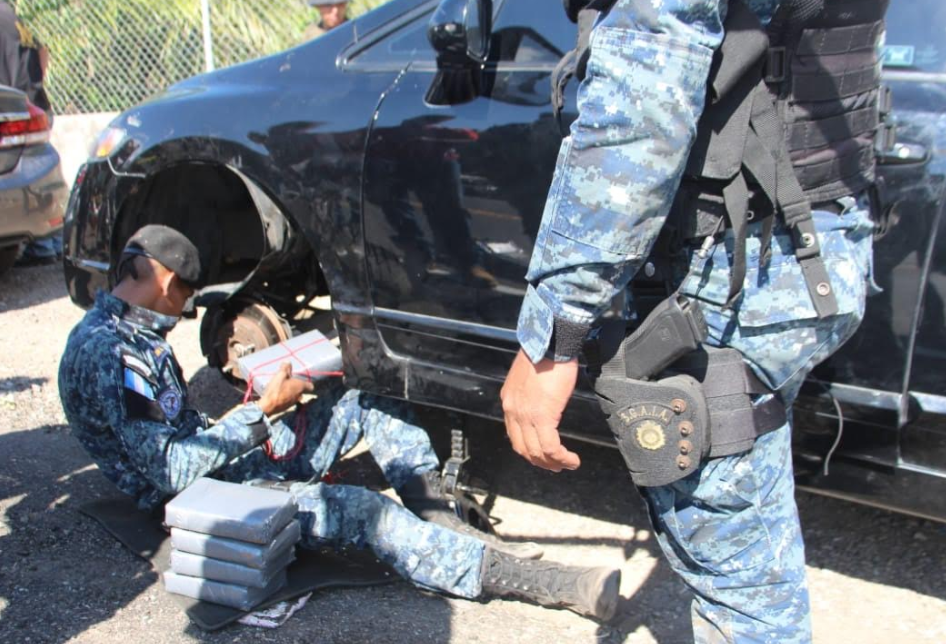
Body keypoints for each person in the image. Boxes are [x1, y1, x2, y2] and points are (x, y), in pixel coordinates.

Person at [501, 0, 888, 642]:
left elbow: (640, 110)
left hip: (744, 264)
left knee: (744, 595)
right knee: (749, 537)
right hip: (822, 240)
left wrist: (555, 335)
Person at [59, 224, 621, 621]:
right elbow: (171, 471)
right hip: (193, 499)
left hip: (217, 459)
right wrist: (263, 412)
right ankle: (544, 584)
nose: (184, 306)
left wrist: (255, 413)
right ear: (161, 277)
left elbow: (179, 431)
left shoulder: (133, 337)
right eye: (184, 291)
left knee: (362, 404)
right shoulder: (109, 353)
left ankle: (441, 523)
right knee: (361, 510)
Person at [0, 1, 58, 265]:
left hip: (13, 106)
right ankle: (50, 241)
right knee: (33, 166)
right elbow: (43, 53)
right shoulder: (13, 17)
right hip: (31, 103)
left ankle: (45, 243)